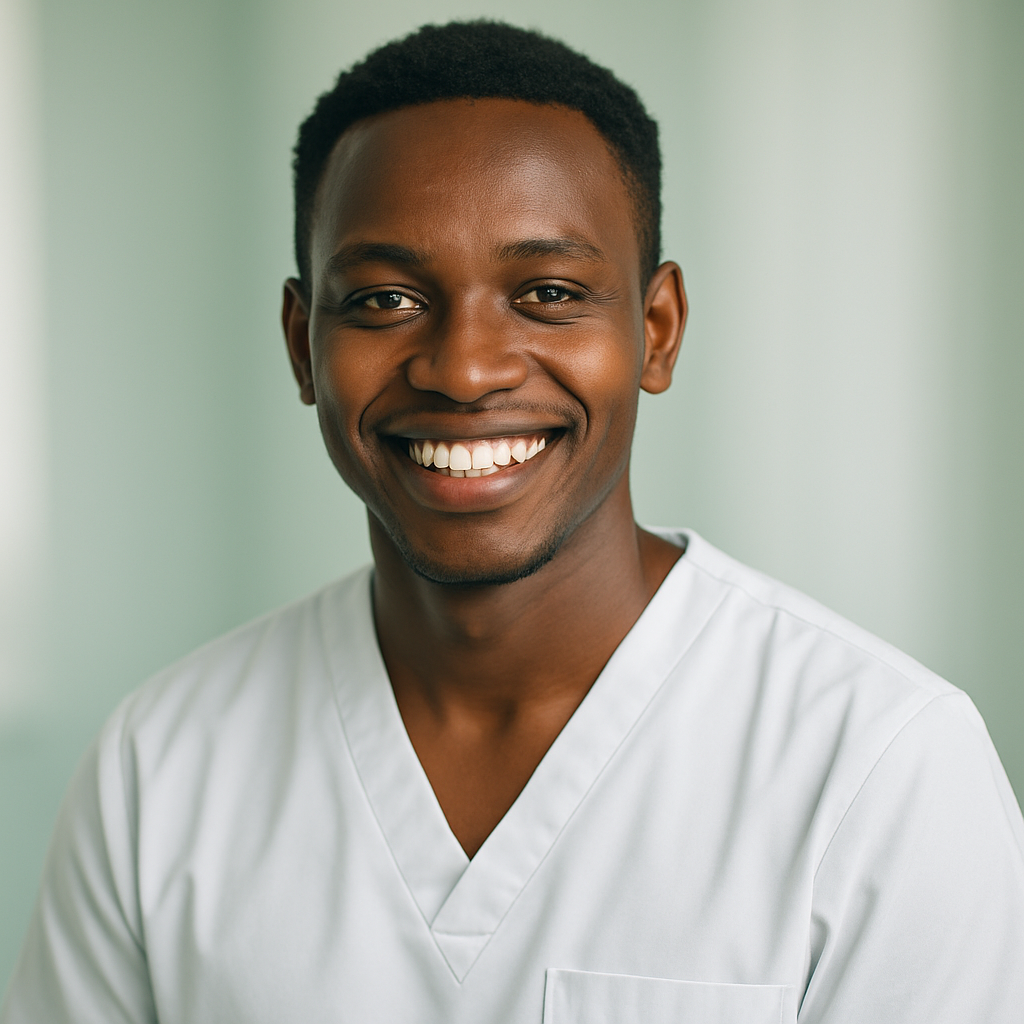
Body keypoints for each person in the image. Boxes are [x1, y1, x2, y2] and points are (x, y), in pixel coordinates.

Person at [3, 20, 1023, 1024]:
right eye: (386, 300)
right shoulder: (160, 769)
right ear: (301, 344)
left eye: (546, 293)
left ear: (655, 329)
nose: (464, 367)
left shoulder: (880, 766)